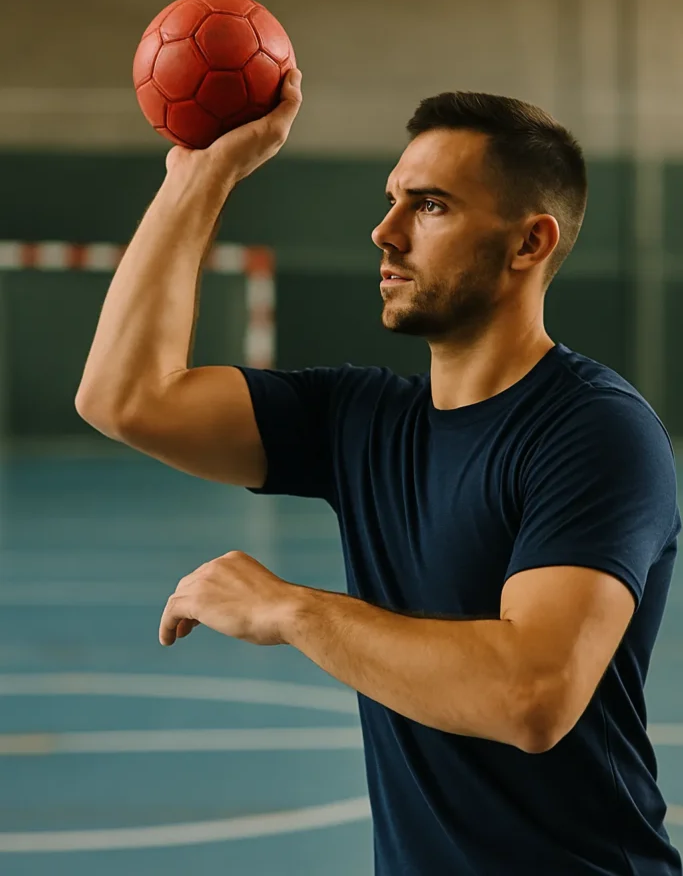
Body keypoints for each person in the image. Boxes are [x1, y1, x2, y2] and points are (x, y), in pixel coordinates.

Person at [76, 70, 682, 876]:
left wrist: (291, 610)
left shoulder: (594, 430)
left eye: (430, 205)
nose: (384, 231)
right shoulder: (359, 420)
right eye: (393, 199)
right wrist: (201, 174)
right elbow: (126, 397)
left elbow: (531, 695)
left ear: (528, 243)